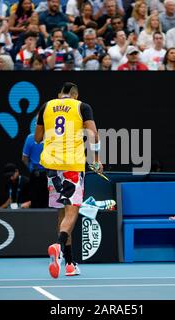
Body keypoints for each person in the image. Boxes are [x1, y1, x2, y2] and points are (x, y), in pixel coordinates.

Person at [34, 82, 103, 279]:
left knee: (62, 214)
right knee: (72, 212)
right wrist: (96, 161)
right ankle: (58, 245)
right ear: (75, 95)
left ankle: (70, 264)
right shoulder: (82, 106)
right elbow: (93, 135)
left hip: (52, 166)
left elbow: (37, 138)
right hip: (72, 165)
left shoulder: (46, 106)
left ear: (59, 95)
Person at [22, 133, 49, 208]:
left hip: (37, 175)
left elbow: (24, 158)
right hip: (50, 175)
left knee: (36, 204)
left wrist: (31, 169)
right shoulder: (53, 137)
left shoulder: (30, 138)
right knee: (50, 204)